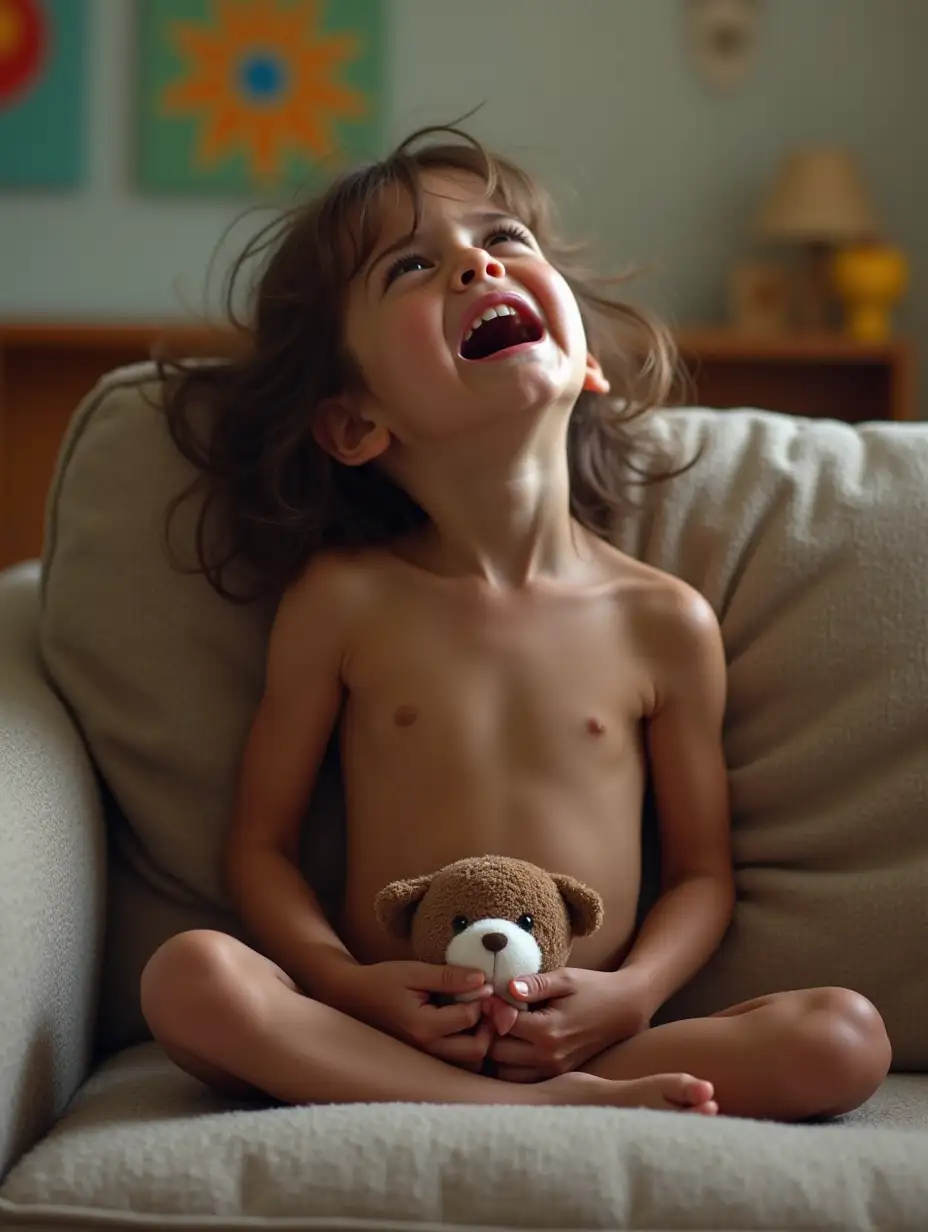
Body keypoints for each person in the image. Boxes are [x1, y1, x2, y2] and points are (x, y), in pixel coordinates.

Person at [140, 125, 891, 1118]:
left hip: (588, 1035)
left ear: (587, 365)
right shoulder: (345, 601)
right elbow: (260, 844)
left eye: (505, 239)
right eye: (411, 263)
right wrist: (344, 980)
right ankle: (532, 1112)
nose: (476, 260)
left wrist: (630, 994)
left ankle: (541, 1091)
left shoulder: (662, 620)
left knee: (843, 1037)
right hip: (383, 1027)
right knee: (189, 977)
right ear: (356, 421)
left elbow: (703, 871)